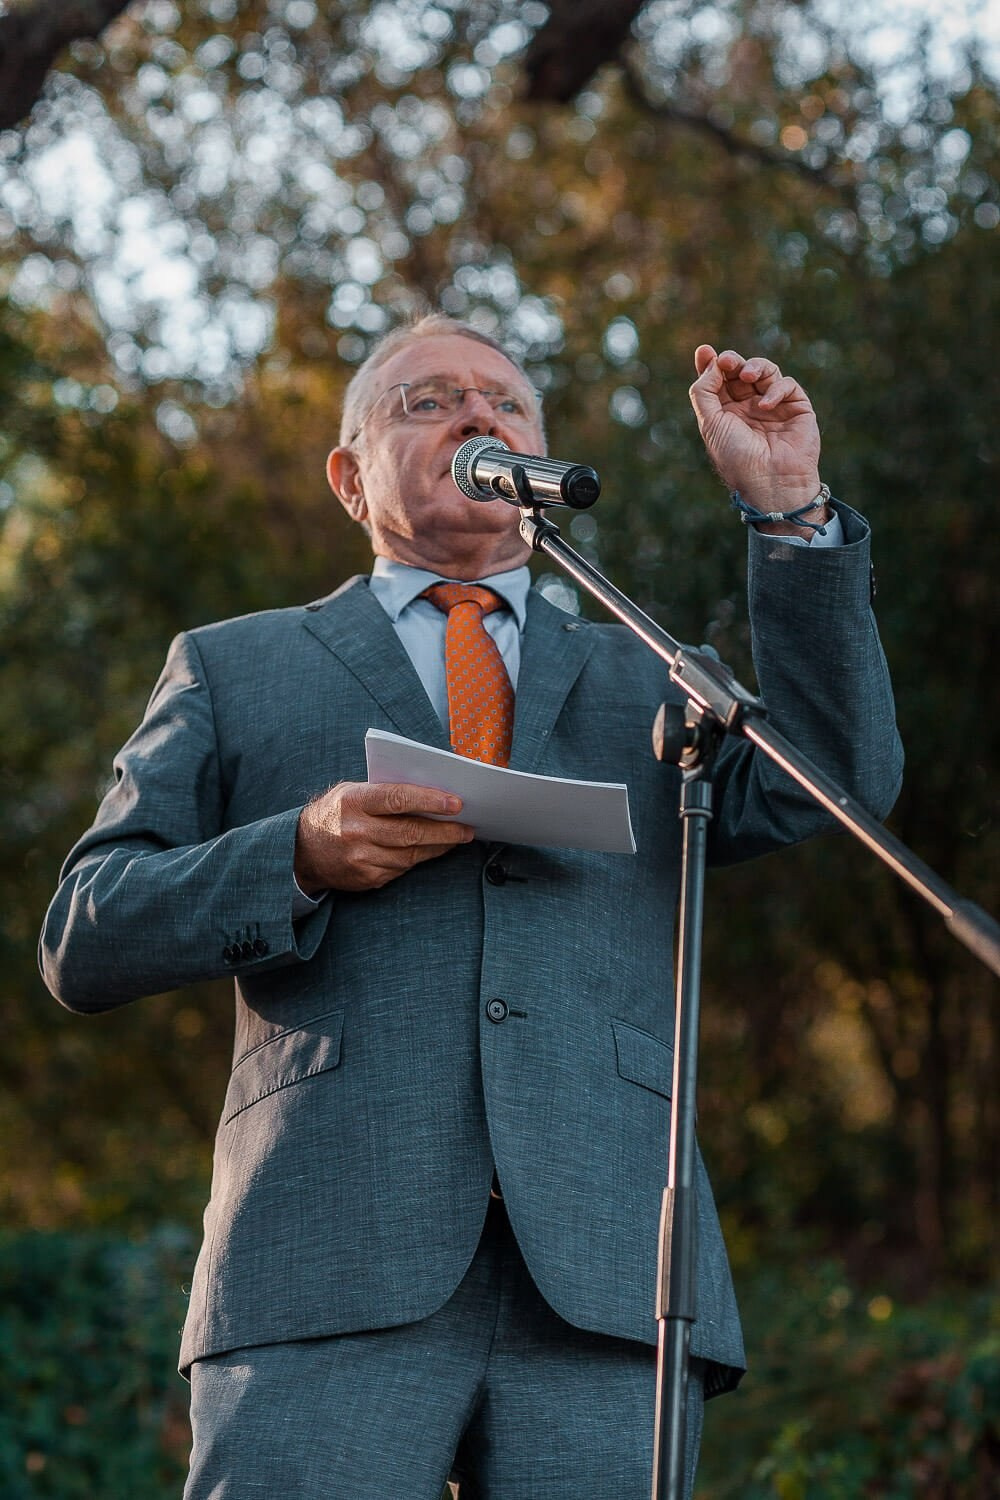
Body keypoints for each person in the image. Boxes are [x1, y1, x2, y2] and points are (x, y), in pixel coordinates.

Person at [40, 313, 902, 1499]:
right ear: (350, 478)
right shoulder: (235, 666)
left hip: (610, 1269)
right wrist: (298, 851)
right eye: (426, 400)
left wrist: (789, 509)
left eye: (506, 404)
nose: (476, 416)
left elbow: (839, 776)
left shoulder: (650, 674)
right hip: (325, 1256)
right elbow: (85, 931)